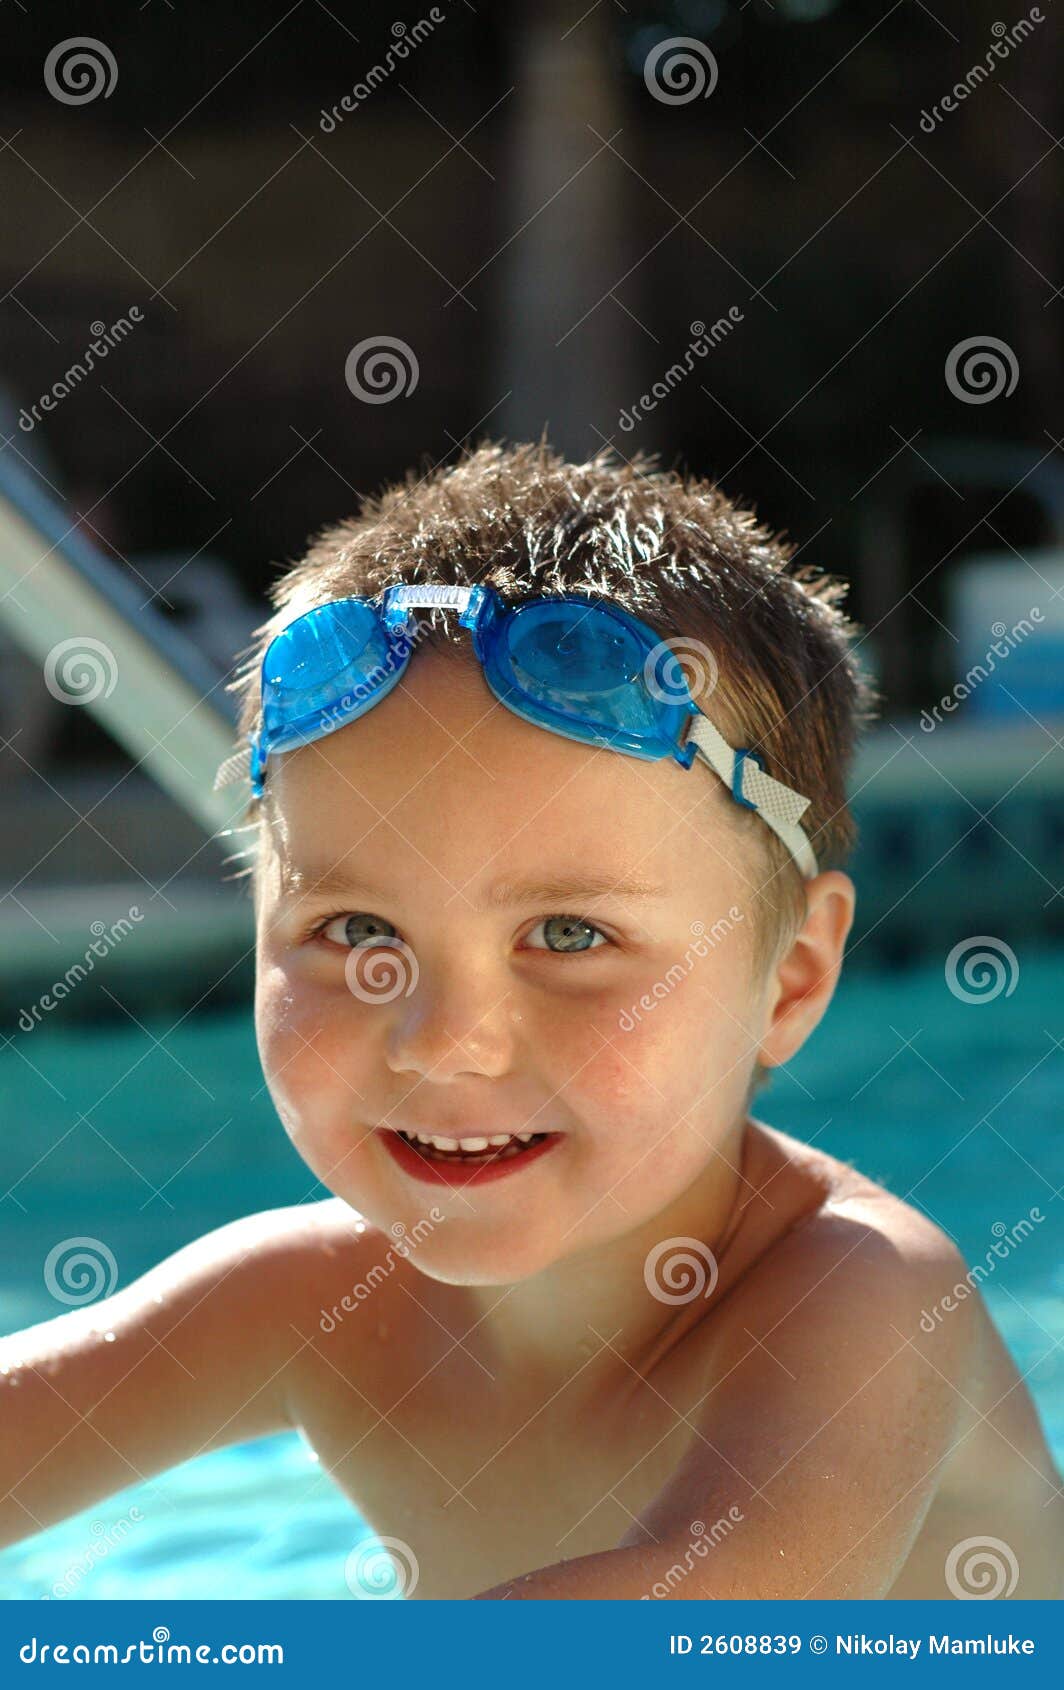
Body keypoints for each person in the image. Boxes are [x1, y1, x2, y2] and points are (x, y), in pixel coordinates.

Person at [2, 441, 1060, 1600]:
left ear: (792, 980)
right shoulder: (308, 1304)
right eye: (356, 929)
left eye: (566, 935)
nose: (443, 1038)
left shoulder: (863, 1299)